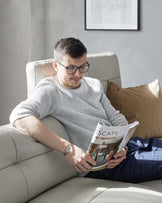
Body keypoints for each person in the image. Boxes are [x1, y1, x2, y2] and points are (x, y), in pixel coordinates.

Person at [10, 37, 162, 182]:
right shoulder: (50, 90)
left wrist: (122, 146)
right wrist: (68, 149)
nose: (78, 74)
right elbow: (19, 115)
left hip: (124, 148)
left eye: (82, 66)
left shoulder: (94, 84)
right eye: (70, 68)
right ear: (56, 65)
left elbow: (115, 117)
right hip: (101, 166)